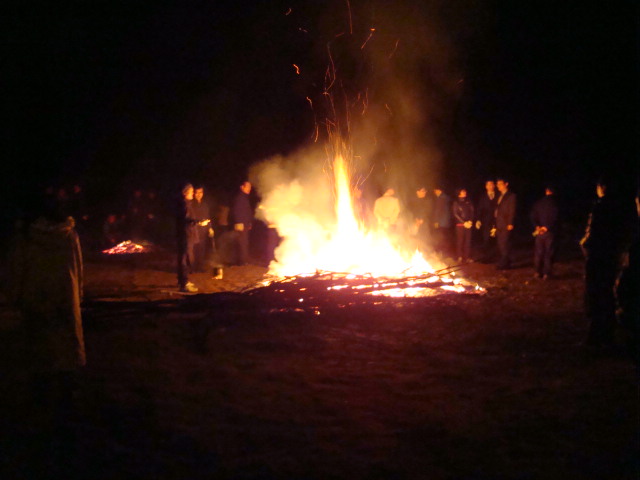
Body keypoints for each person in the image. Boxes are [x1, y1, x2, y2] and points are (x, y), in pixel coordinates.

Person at [7, 192, 85, 474]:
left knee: (41, 349)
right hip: (63, 297)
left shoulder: (27, 236)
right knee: (64, 349)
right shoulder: (69, 234)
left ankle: (43, 404)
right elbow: (78, 266)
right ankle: (63, 404)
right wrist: (78, 293)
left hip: (37, 296)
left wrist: (16, 294)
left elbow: (17, 268)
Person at [580, 179, 636, 349]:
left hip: (598, 256)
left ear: (602, 188)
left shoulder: (600, 207)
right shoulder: (620, 208)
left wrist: (585, 243)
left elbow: (593, 232)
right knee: (607, 293)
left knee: (595, 294)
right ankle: (607, 334)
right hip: (611, 256)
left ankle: (596, 336)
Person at [176, 183, 208, 292]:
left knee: (184, 257)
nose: (193, 193)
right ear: (185, 193)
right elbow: (187, 220)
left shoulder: (186, 204)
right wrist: (199, 222)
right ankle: (184, 283)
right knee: (184, 258)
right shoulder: (184, 205)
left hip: (186, 234)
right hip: (186, 235)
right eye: (191, 192)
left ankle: (182, 281)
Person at [530, 186, 559, 279]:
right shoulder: (555, 203)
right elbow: (556, 217)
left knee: (539, 252)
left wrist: (537, 226)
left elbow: (533, 216)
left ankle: (537, 272)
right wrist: (547, 227)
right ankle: (547, 273)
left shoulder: (539, 203)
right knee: (548, 253)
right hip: (549, 232)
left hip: (539, 232)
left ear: (546, 191)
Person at [494, 178, 516, 269]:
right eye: (497, 184)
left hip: (505, 223)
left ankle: (505, 263)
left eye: (500, 184)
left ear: (506, 184)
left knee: (504, 243)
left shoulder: (511, 196)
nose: (498, 186)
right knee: (500, 243)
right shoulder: (499, 196)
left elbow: (512, 210)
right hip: (499, 222)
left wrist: (510, 223)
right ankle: (504, 261)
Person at [192, 185, 215, 272]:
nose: (199, 194)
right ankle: (193, 266)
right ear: (194, 193)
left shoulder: (204, 205)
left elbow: (208, 217)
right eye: (197, 192)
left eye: (200, 192)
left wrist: (210, 228)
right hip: (195, 230)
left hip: (203, 230)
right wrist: (198, 223)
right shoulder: (191, 205)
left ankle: (200, 266)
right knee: (195, 249)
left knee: (202, 248)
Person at [231, 181, 254, 266]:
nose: (249, 189)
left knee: (244, 242)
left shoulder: (245, 198)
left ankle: (243, 260)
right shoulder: (240, 198)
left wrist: (249, 223)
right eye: (247, 187)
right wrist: (239, 222)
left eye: (250, 187)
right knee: (241, 243)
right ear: (242, 187)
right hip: (241, 224)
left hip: (245, 224)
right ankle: (241, 261)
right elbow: (236, 211)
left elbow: (247, 212)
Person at [475, 180, 498, 262]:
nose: (490, 186)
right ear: (486, 187)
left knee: (496, 239)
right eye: (488, 185)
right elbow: (479, 209)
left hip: (497, 221)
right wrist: (478, 219)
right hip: (486, 221)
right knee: (486, 239)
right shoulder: (483, 197)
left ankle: (496, 257)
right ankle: (486, 257)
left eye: (491, 184)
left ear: (494, 186)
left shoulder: (498, 195)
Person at [452, 188, 475, 262]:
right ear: (459, 193)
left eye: (465, 191)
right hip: (460, 224)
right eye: (463, 191)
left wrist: (470, 221)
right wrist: (463, 222)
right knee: (460, 241)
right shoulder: (456, 202)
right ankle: (459, 256)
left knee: (468, 241)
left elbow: (472, 211)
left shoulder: (468, 201)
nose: (465, 192)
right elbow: (455, 214)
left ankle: (467, 257)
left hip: (468, 224)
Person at [408, 186, 433, 252]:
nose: (424, 192)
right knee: (414, 238)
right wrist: (416, 220)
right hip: (415, 222)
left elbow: (428, 211)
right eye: (422, 191)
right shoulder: (413, 200)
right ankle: (414, 252)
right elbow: (411, 211)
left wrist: (422, 219)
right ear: (417, 192)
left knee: (424, 238)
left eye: (425, 191)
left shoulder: (428, 200)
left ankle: (424, 253)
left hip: (424, 223)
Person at [432, 186, 452, 257]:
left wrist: (436, 221)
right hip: (446, 222)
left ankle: (439, 253)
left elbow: (438, 210)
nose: (434, 193)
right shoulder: (446, 198)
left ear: (439, 190)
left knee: (439, 237)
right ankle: (444, 253)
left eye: (435, 191)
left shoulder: (440, 198)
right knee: (444, 237)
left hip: (441, 222)